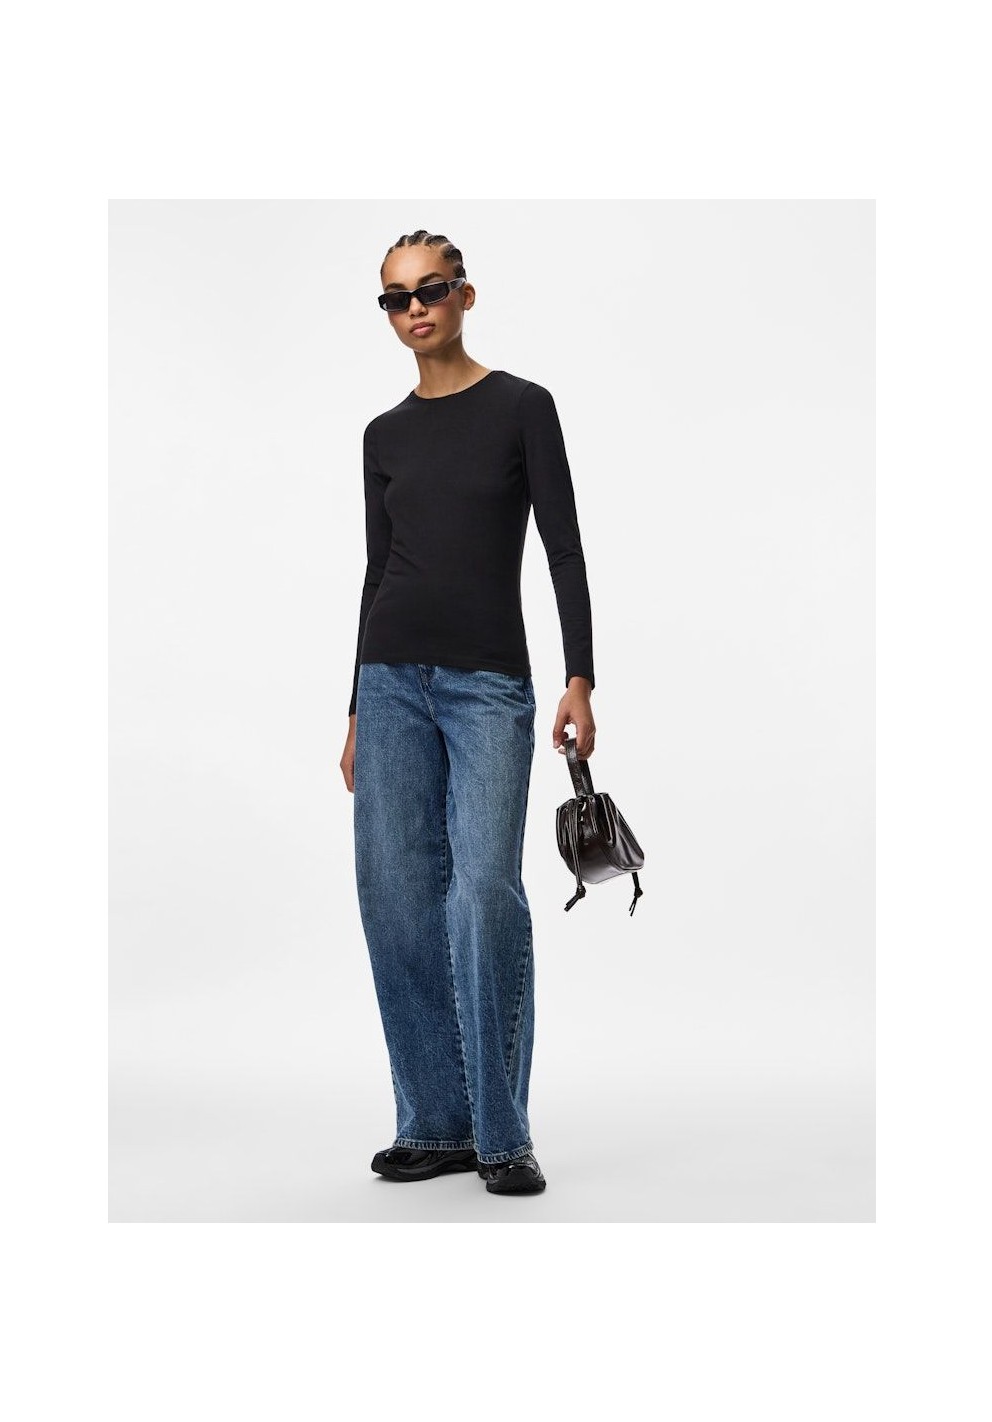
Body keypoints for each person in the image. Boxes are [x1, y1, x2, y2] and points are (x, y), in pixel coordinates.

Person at [339, 229, 596, 1196]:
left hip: (489, 684)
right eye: (396, 297)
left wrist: (580, 677)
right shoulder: (383, 435)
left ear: (465, 295)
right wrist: (355, 709)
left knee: (483, 891)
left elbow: (563, 547)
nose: (415, 308)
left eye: (432, 290)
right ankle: (436, 1124)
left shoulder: (523, 407)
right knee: (397, 898)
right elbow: (377, 571)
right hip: (389, 683)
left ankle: (502, 1132)